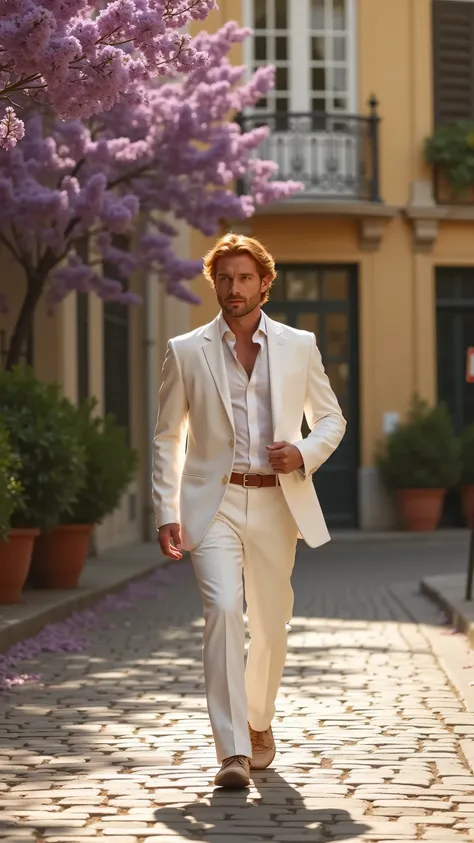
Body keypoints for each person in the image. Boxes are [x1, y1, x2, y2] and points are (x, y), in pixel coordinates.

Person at [152, 233, 346, 789]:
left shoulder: (298, 345)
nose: (233, 288)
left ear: (264, 283)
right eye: (224, 278)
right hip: (211, 504)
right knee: (220, 611)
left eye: (244, 278)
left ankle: (259, 721)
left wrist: (302, 453)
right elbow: (168, 436)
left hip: (275, 500)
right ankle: (232, 750)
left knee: (269, 625)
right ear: (213, 283)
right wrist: (167, 508)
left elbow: (331, 419)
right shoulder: (186, 350)